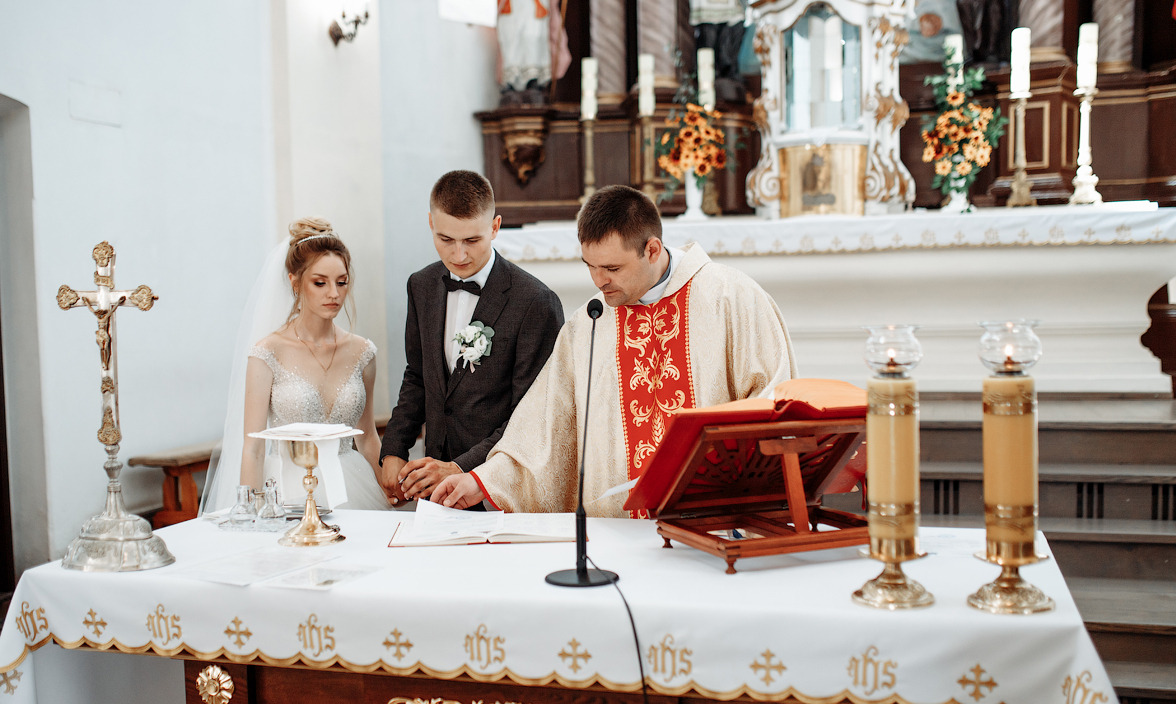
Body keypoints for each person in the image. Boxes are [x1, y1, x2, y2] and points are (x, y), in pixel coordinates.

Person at [431, 184, 796, 516]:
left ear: (652, 249)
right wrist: (482, 481)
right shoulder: (589, 323)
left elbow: (772, 401)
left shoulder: (732, 298)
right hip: (616, 529)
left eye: (612, 267)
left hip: (711, 522)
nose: (599, 281)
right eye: (590, 266)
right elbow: (545, 424)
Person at [378, 170, 564, 504]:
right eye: (446, 240)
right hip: (433, 487)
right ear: (431, 224)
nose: (458, 255)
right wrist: (393, 449)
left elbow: (532, 414)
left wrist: (462, 468)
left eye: (472, 241)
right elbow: (418, 375)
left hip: (499, 487)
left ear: (495, 227)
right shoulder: (421, 286)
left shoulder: (534, 301)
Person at [201, 218, 391, 514]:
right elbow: (253, 448)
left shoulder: (362, 352)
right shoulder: (267, 352)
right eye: (320, 283)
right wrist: (250, 515)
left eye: (342, 282)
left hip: (352, 487)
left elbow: (367, 438)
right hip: (288, 490)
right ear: (294, 282)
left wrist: (391, 493)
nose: (334, 293)